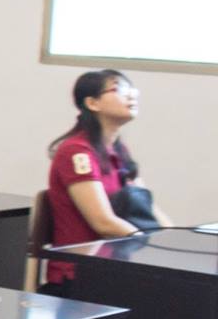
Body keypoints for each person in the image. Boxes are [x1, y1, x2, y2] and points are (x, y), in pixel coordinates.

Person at [42, 69, 166, 288]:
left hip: (116, 267)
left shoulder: (119, 151)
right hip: (81, 274)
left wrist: (171, 240)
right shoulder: (76, 151)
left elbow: (149, 209)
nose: (132, 95)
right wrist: (151, 244)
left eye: (132, 89)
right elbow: (104, 223)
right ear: (92, 103)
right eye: (120, 89)